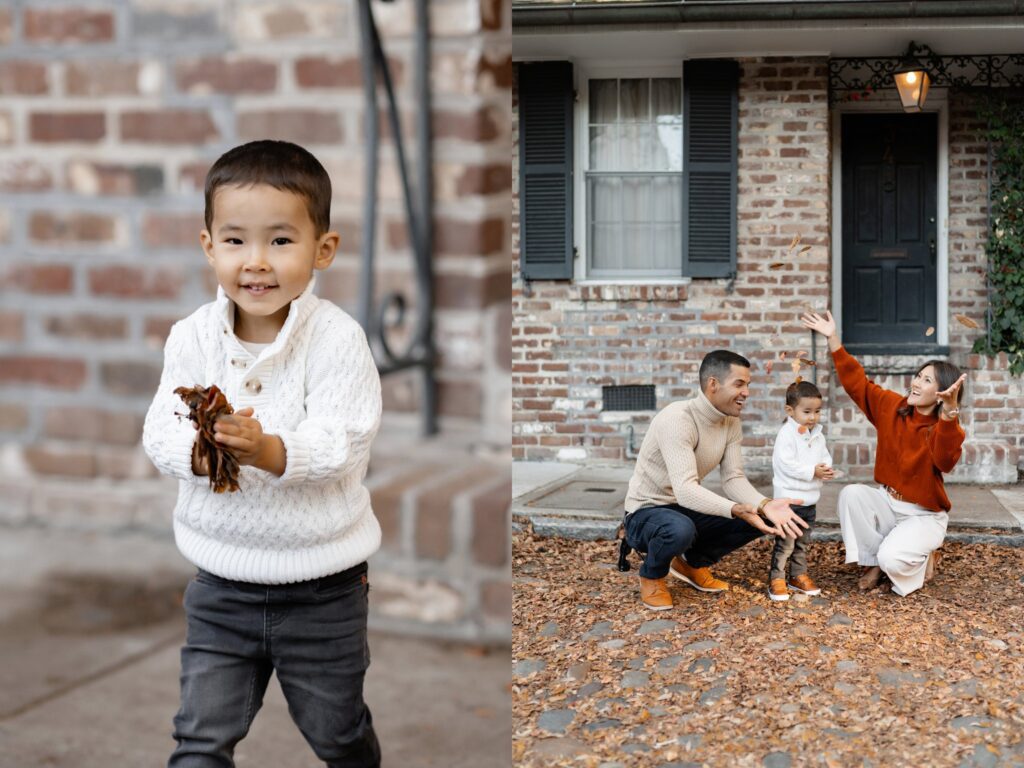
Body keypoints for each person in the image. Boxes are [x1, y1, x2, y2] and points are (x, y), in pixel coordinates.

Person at [143, 140, 382, 767]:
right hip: (221, 588)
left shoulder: (337, 339)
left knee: (336, 733)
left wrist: (271, 450)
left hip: (323, 590)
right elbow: (160, 431)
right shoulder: (193, 338)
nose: (256, 261)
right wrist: (204, 455)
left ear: (322, 249)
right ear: (208, 246)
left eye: (280, 240)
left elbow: (344, 440)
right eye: (235, 240)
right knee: (200, 738)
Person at [621, 349, 808, 611]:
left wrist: (764, 504)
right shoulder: (677, 419)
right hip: (645, 512)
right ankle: (652, 575)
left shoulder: (730, 422)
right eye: (739, 384)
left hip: (682, 508)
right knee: (679, 529)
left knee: (766, 515)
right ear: (713, 384)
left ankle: (691, 564)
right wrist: (735, 508)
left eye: (748, 385)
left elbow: (733, 478)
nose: (746, 392)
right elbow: (685, 489)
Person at [801, 310, 966, 597]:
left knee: (893, 559)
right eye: (918, 376)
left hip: (924, 515)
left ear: (942, 394)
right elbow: (859, 385)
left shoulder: (944, 427)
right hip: (888, 502)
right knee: (851, 494)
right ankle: (874, 562)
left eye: (927, 381)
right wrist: (833, 338)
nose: (916, 383)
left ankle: (915, 557)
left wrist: (950, 414)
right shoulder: (894, 407)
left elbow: (945, 462)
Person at [767, 380, 834, 602]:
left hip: (809, 501)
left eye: (817, 411)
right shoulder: (786, 434)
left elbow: (824, 455)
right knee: (785, 544)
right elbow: (786, 465)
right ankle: (776, 578)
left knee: (802, 543)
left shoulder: (818, 434)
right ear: (790, 410)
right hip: (788, 502)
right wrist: (812, 471)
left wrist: (825, 468)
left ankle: (797, 575)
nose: (813, 417)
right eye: (807, 412)